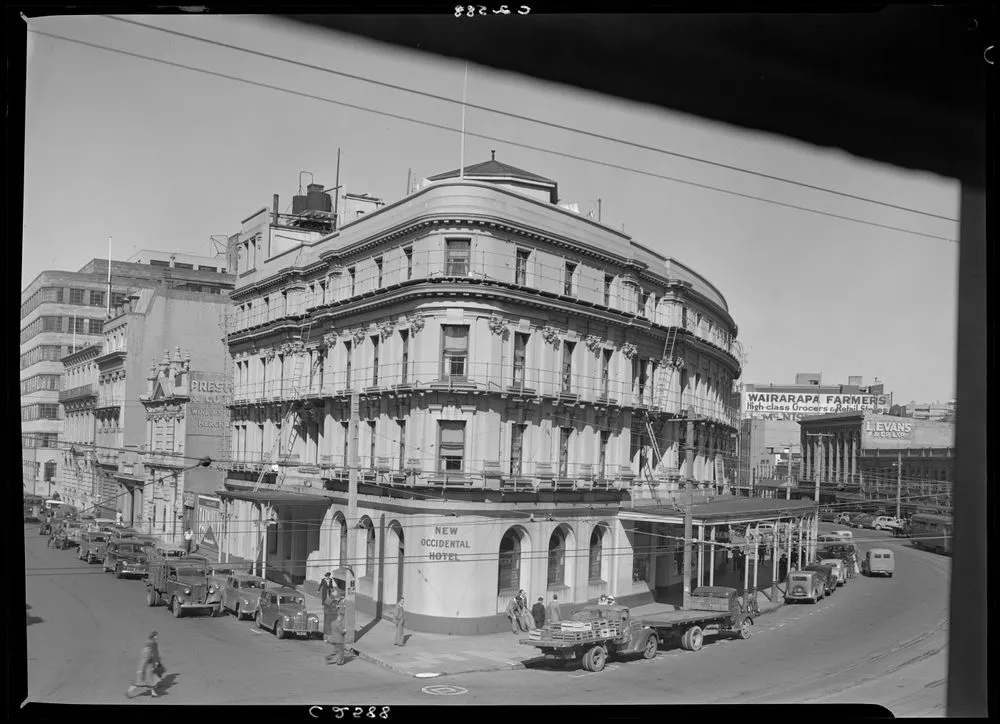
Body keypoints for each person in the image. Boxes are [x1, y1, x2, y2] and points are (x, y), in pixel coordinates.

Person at [126, 631, 164, 699]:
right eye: (156, 636)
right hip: (146, 669)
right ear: (154, 636)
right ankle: (129, 691)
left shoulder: (145, 649)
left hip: (148, 668)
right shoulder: (149, 649)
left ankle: (153, 693)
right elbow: (147, 660)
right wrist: (155, 664)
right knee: (141, 683)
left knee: (151, 681)